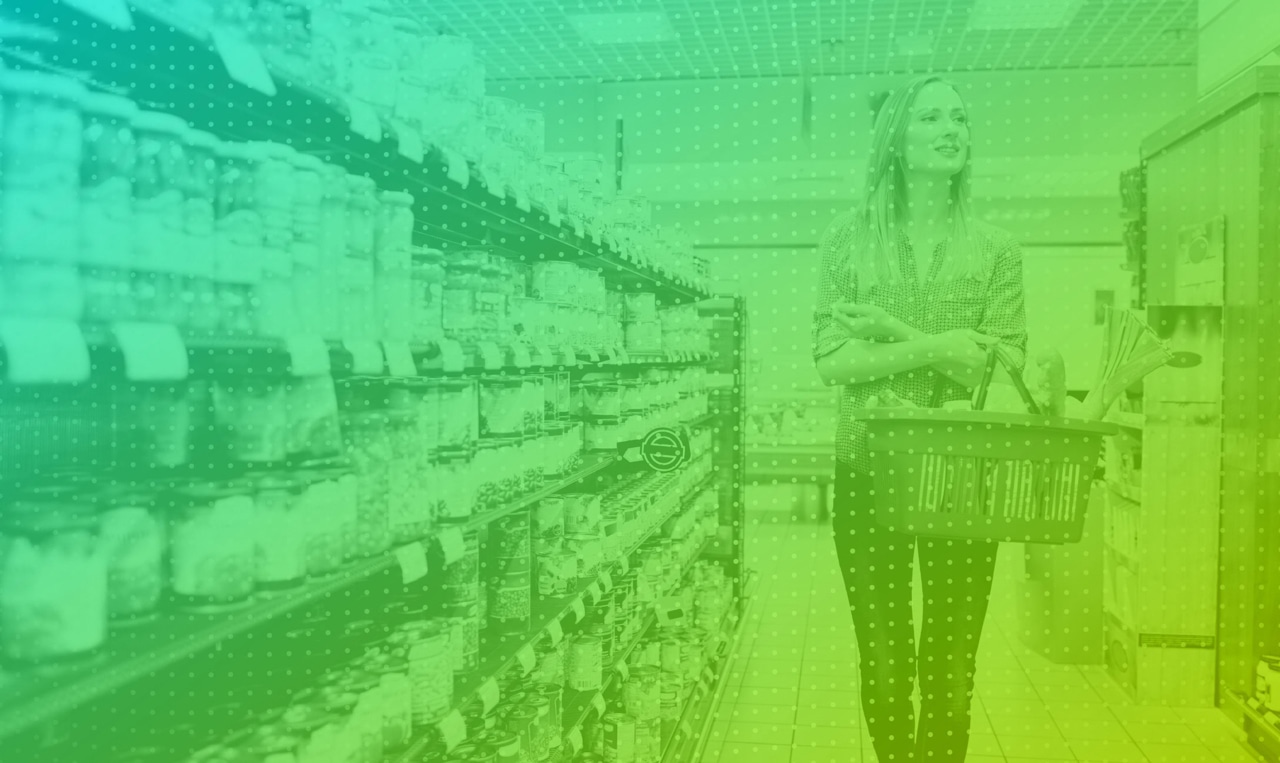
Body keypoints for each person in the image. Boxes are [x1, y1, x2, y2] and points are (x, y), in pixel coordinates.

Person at [810, 74, 1029, 762]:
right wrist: (940, 346)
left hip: (966, 480)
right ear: (896, 141)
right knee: (883, 660)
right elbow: (831, 360)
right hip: (868, 473)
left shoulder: (998, 251)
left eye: (960, 117)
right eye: (932, 116)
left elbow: (998, 370)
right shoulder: (846, 241)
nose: (951, 129)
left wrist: (890, 332)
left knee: (950, 664)